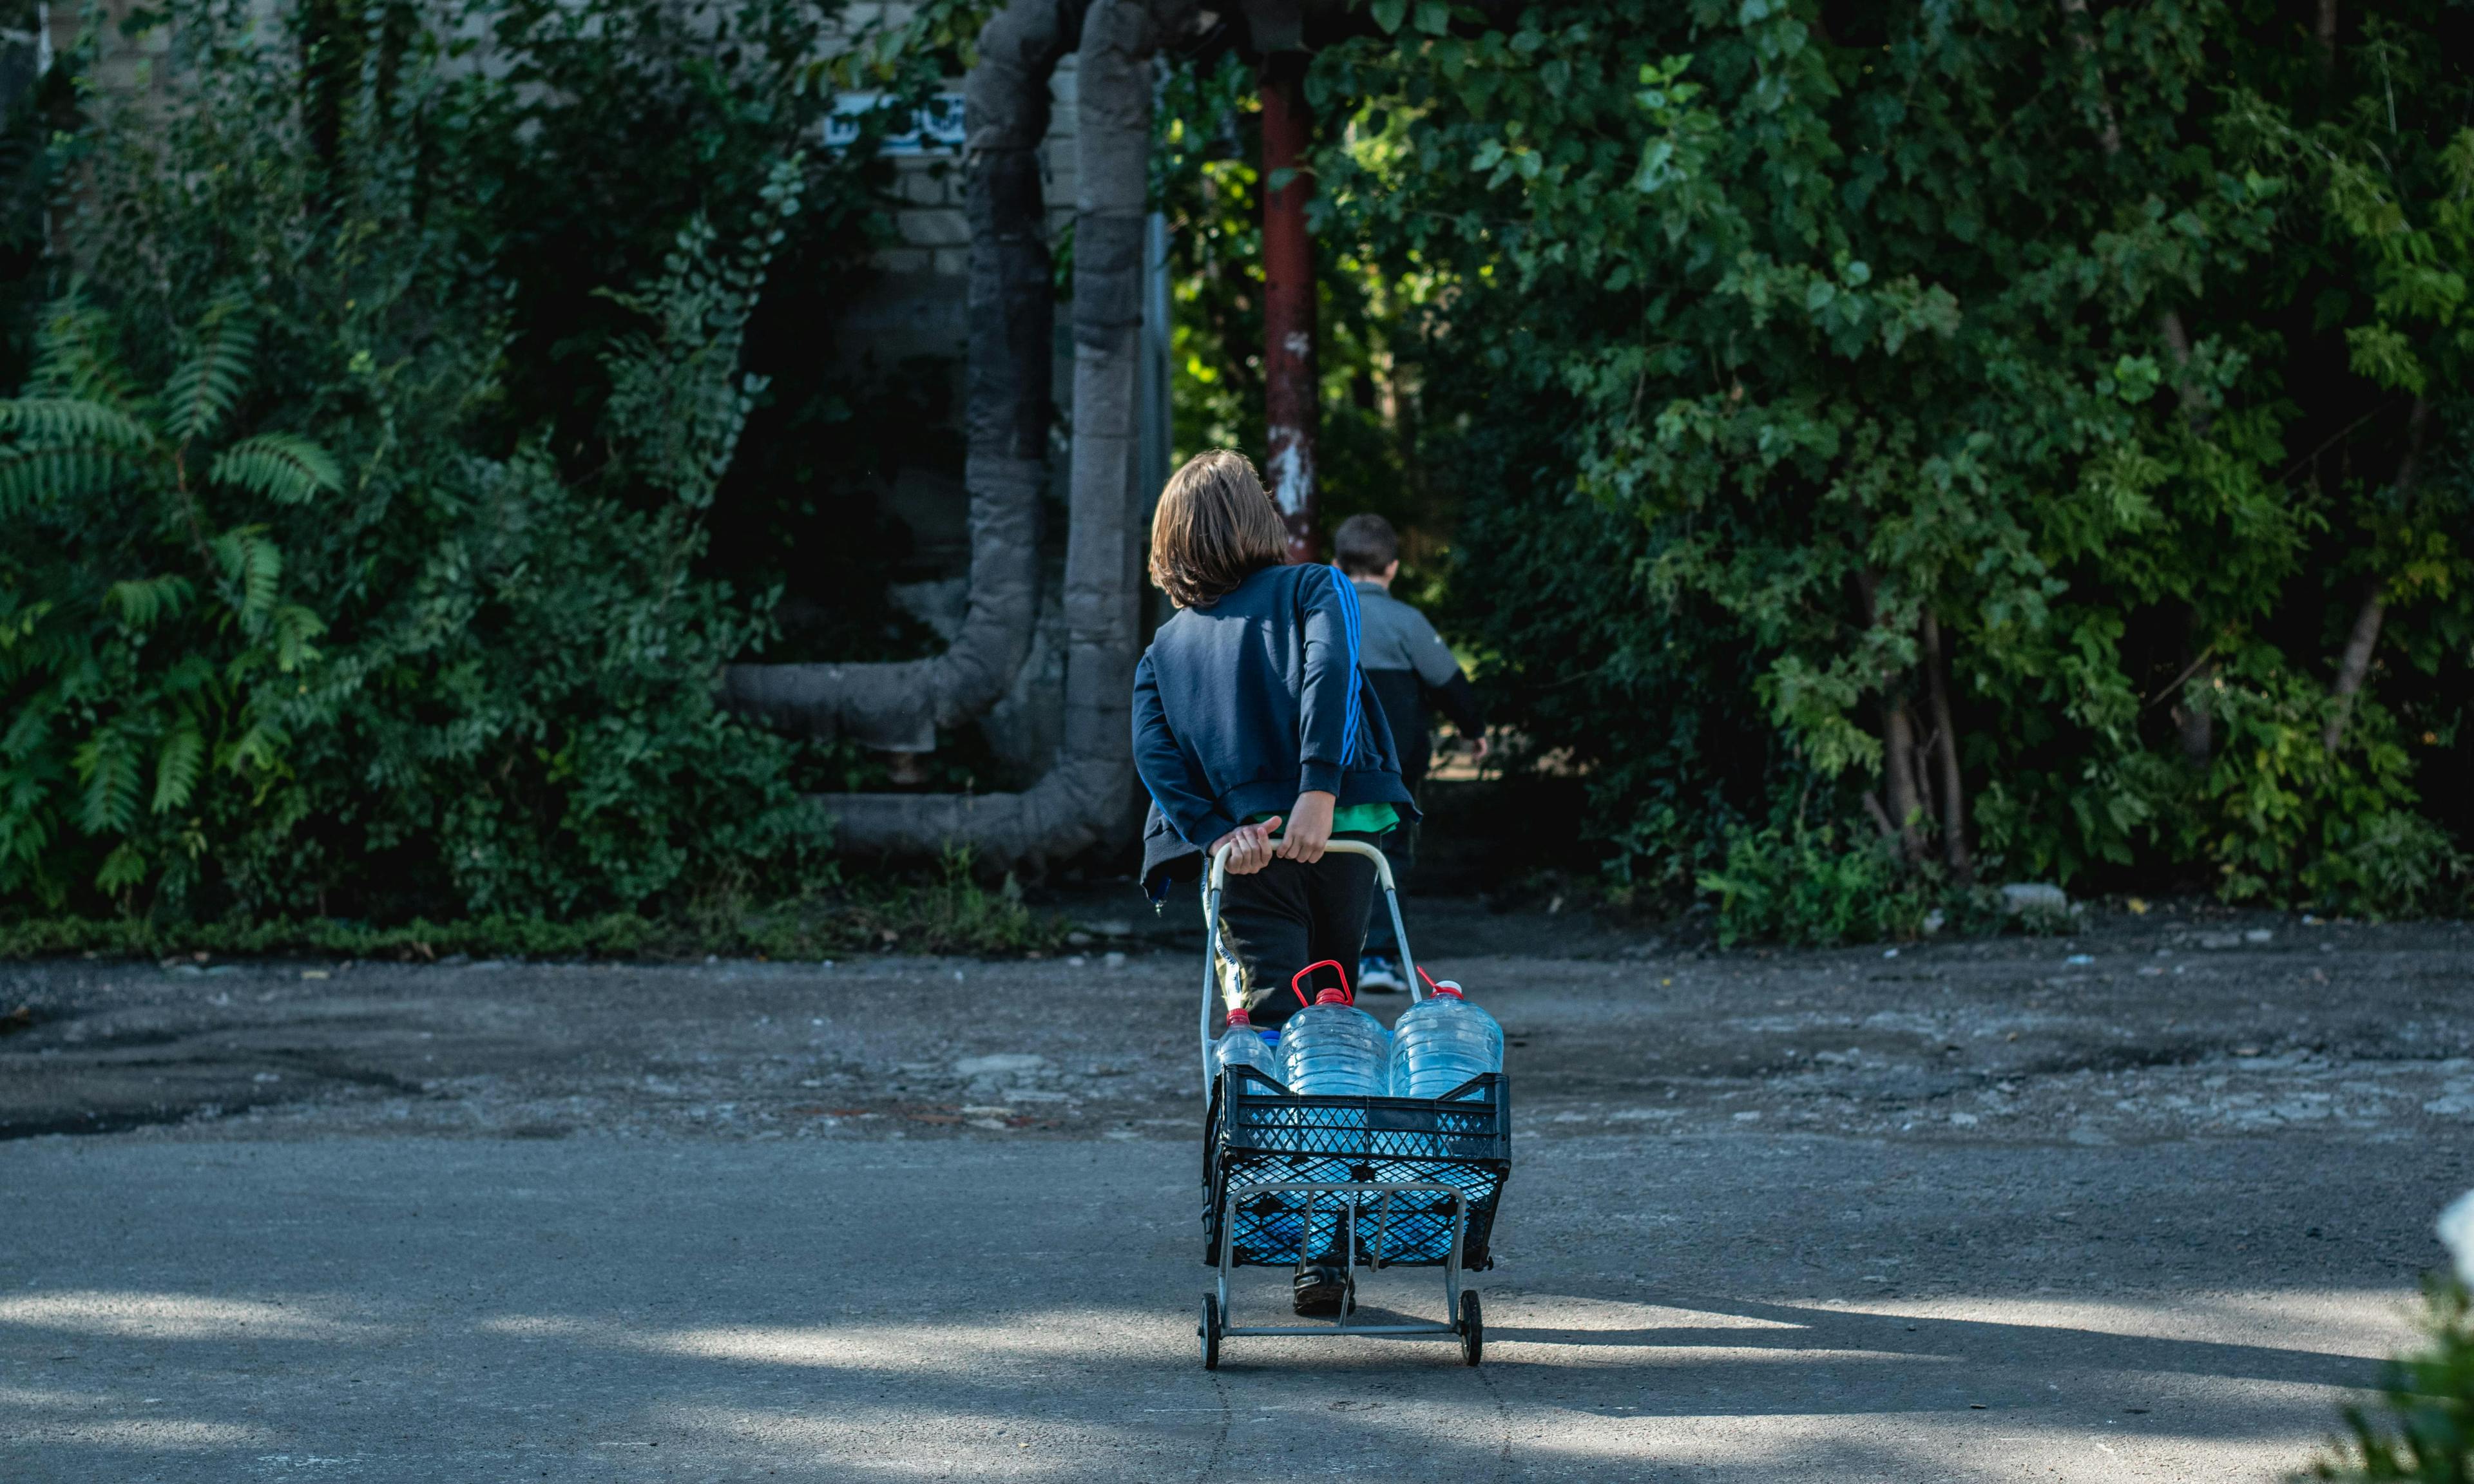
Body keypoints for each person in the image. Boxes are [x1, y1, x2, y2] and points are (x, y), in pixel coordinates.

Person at [1132, 451, 1419, 1317]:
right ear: (1257, 522)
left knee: (1265, 1030)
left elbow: (1153, 753)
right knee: (1332, 1026)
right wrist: (1319, 790)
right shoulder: (1313, 589)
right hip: (1336, 839)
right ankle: (1325, 1241)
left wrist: (1215, 829)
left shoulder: (1166, 646)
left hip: (1245, 857)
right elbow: (1328, 677)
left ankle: (1266, 1213)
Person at [1328, 513, 1486, 993]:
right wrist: (1473, 729)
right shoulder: (1407, 621)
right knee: (1389, 849)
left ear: (1335, 565)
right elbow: (1448, 681)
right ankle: (1377, 956)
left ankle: (1330, 965)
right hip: (1394, 764)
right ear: (1393, 569)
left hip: (1326, 764)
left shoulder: (1323, 616)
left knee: (1327, 851)